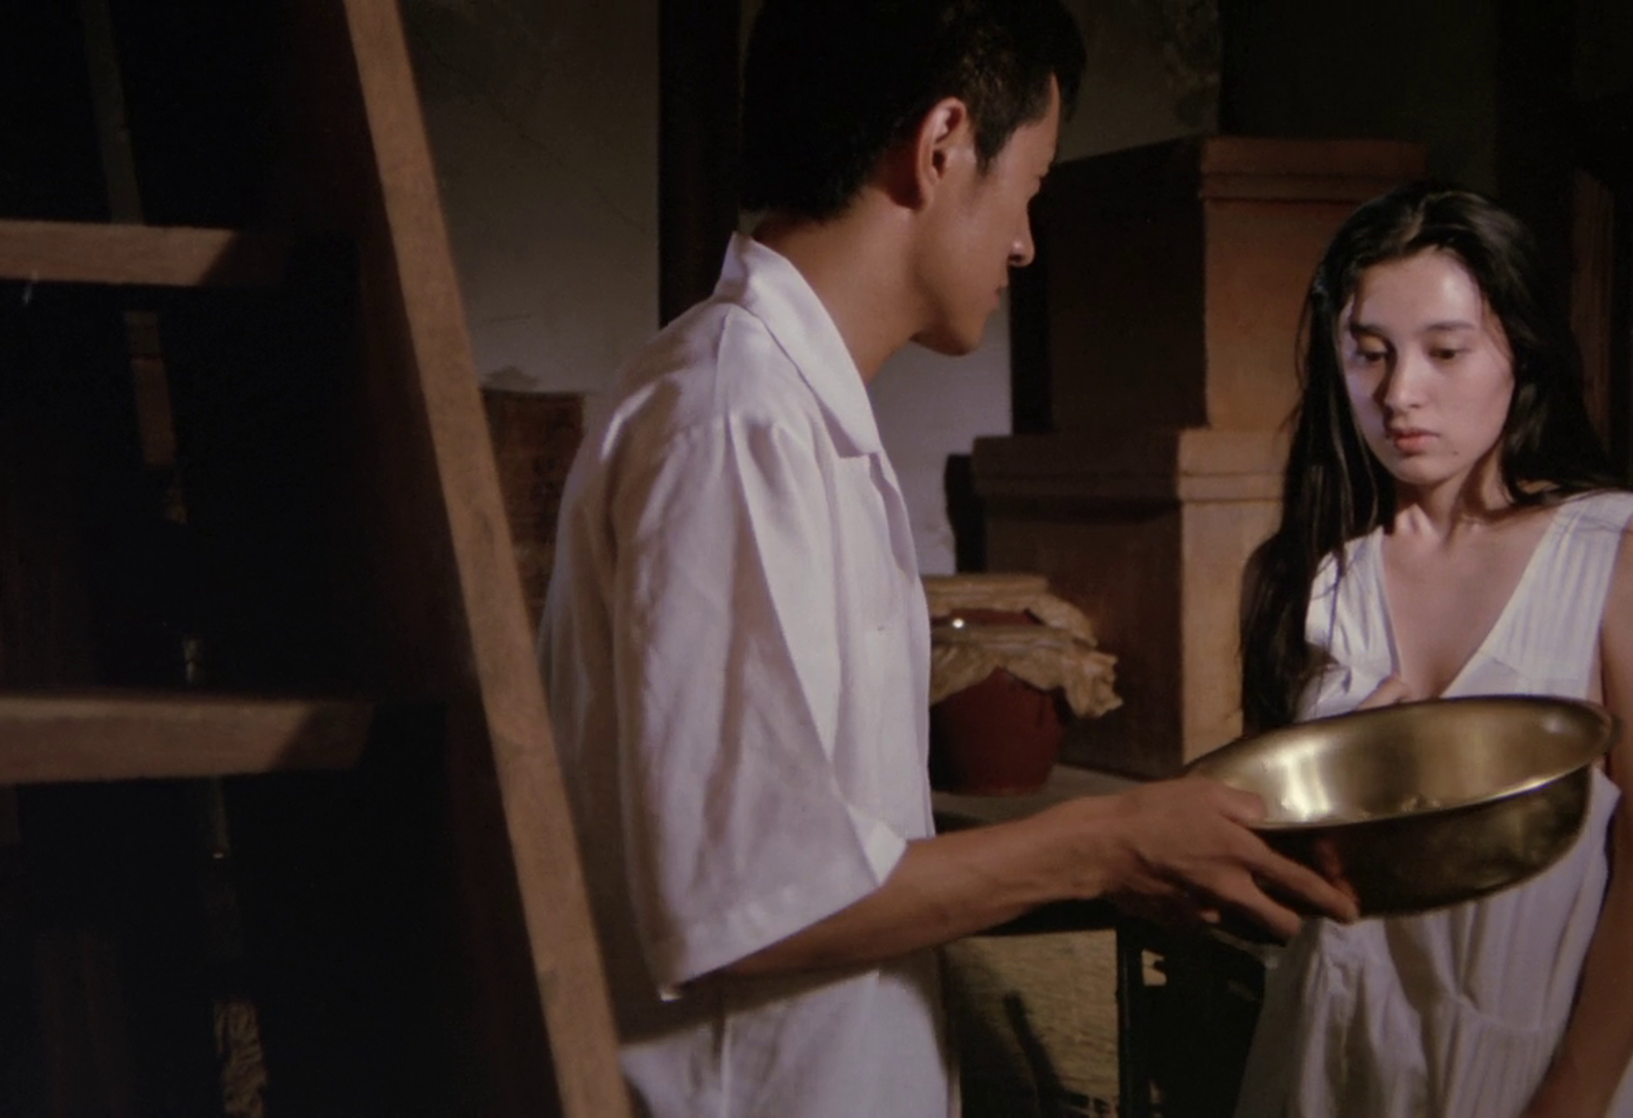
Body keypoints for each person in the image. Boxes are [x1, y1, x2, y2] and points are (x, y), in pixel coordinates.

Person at [535, 3, 1354, 1115]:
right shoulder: (733, 417)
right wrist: (1106, 841)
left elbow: (824, 850)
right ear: (941, 145)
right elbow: (753, 895)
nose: (1024, 243)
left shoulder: (789, 405)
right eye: (1028, 187)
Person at [1232, 183, 1633, 1117]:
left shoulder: (1616, 548)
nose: (1399, 393)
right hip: (1335, 1046)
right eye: (1369, 353)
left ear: (1519, 351)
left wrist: (1574, 1092)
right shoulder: (1315, 573)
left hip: (1538, 1051)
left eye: (1445, 351)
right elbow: (1266, 861)